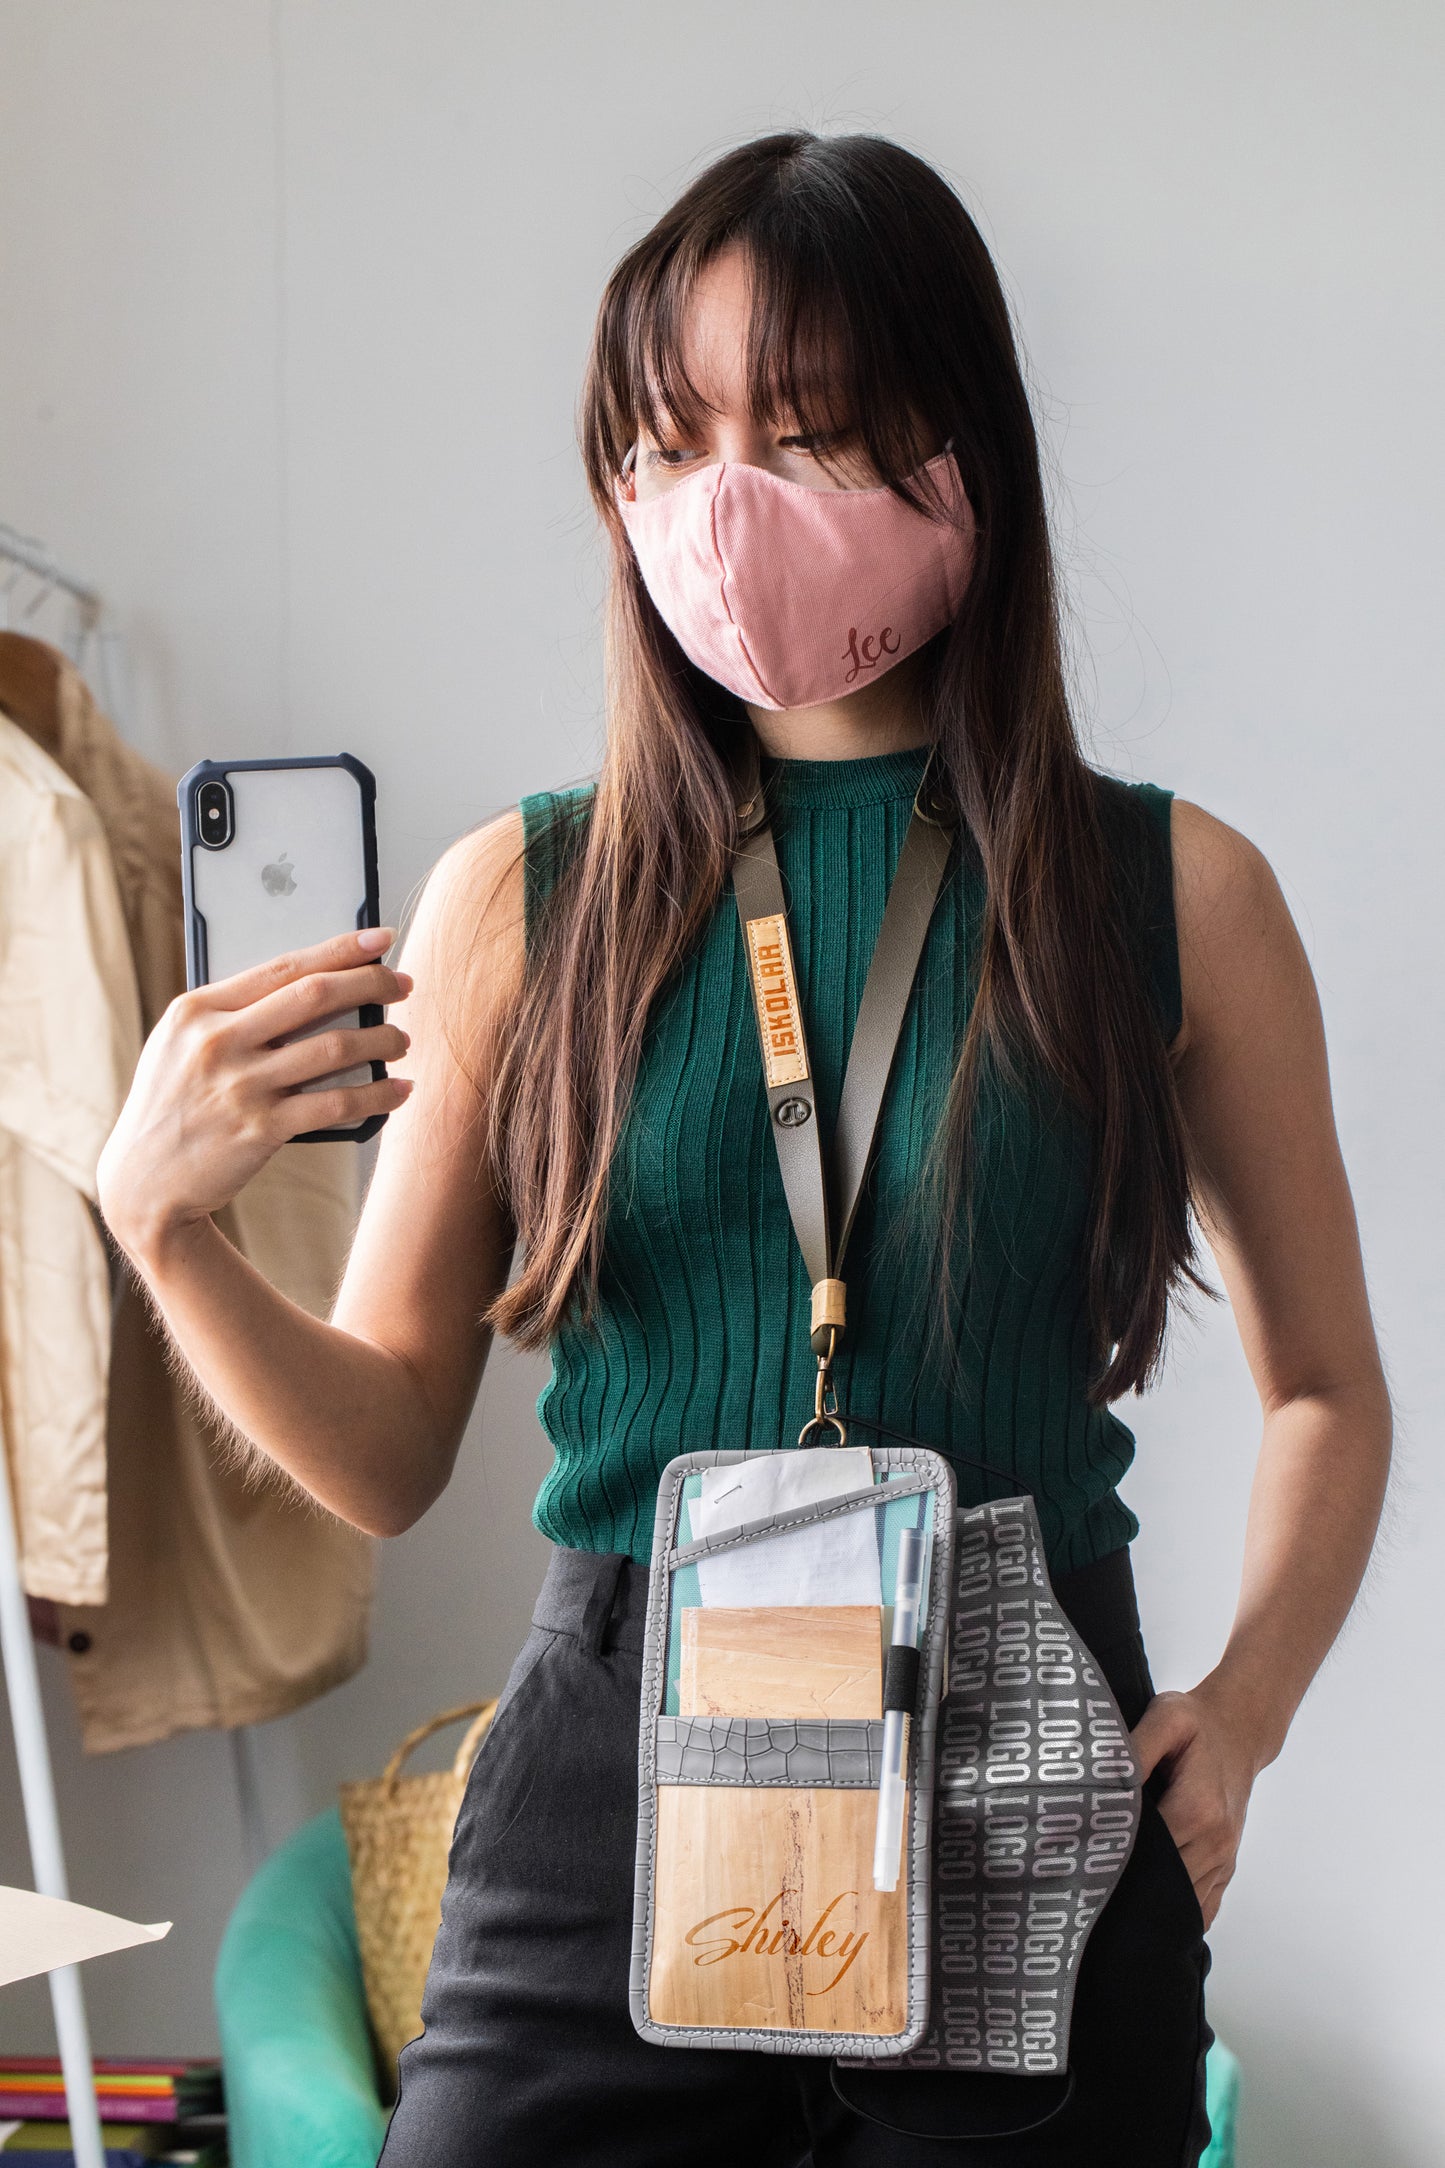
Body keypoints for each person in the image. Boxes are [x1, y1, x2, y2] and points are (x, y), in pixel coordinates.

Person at [98, 132, 1390, 2167]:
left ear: (959, 448)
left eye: (798, 434)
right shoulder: (522, 898)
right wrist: (162, 1233)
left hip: (1025, 1753)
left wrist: (1248, 1706)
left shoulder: (1175, 891)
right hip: (606, 1778)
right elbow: (383, 1446)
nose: (726, 504)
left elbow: (1330, 1385)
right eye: (668, 441)